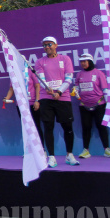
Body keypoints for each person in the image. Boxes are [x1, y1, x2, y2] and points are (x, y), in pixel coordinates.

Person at [35, 37, 79, 167]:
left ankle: (69, 155)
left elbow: (69, 78)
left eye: (49, 44)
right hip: (46, 98)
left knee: (67, 127)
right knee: (48, 127)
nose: (47, 47)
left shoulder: (65, 59)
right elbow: (41, 79)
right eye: (44, 45)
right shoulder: (39, 62)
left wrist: (59, 92)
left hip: (63, 98)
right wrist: (48, 89)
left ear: (56, 45)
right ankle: (51, 157)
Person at [74, 53, 110, 159]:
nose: (83, 64)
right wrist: (76, 92)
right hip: (84, 105)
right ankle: (85, 150)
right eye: (81, 62)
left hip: (99, 104)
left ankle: (107, 149)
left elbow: (105, 89)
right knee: (86, 127)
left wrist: (109, 103)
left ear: (90, 62)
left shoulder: (99, 73)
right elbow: (77, 87)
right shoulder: (79, 74)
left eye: (85, 61)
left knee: (101, 126)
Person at [4, 69, 44, 148]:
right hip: (21, 105)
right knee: (26, 128)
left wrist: (37, 100)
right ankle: (30, 149)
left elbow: (37, 86)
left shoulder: (29, 71)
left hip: (32, 103)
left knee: (36, 126)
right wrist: (7, 98)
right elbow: (12, 88)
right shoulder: (14, 73)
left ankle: (41, 149)